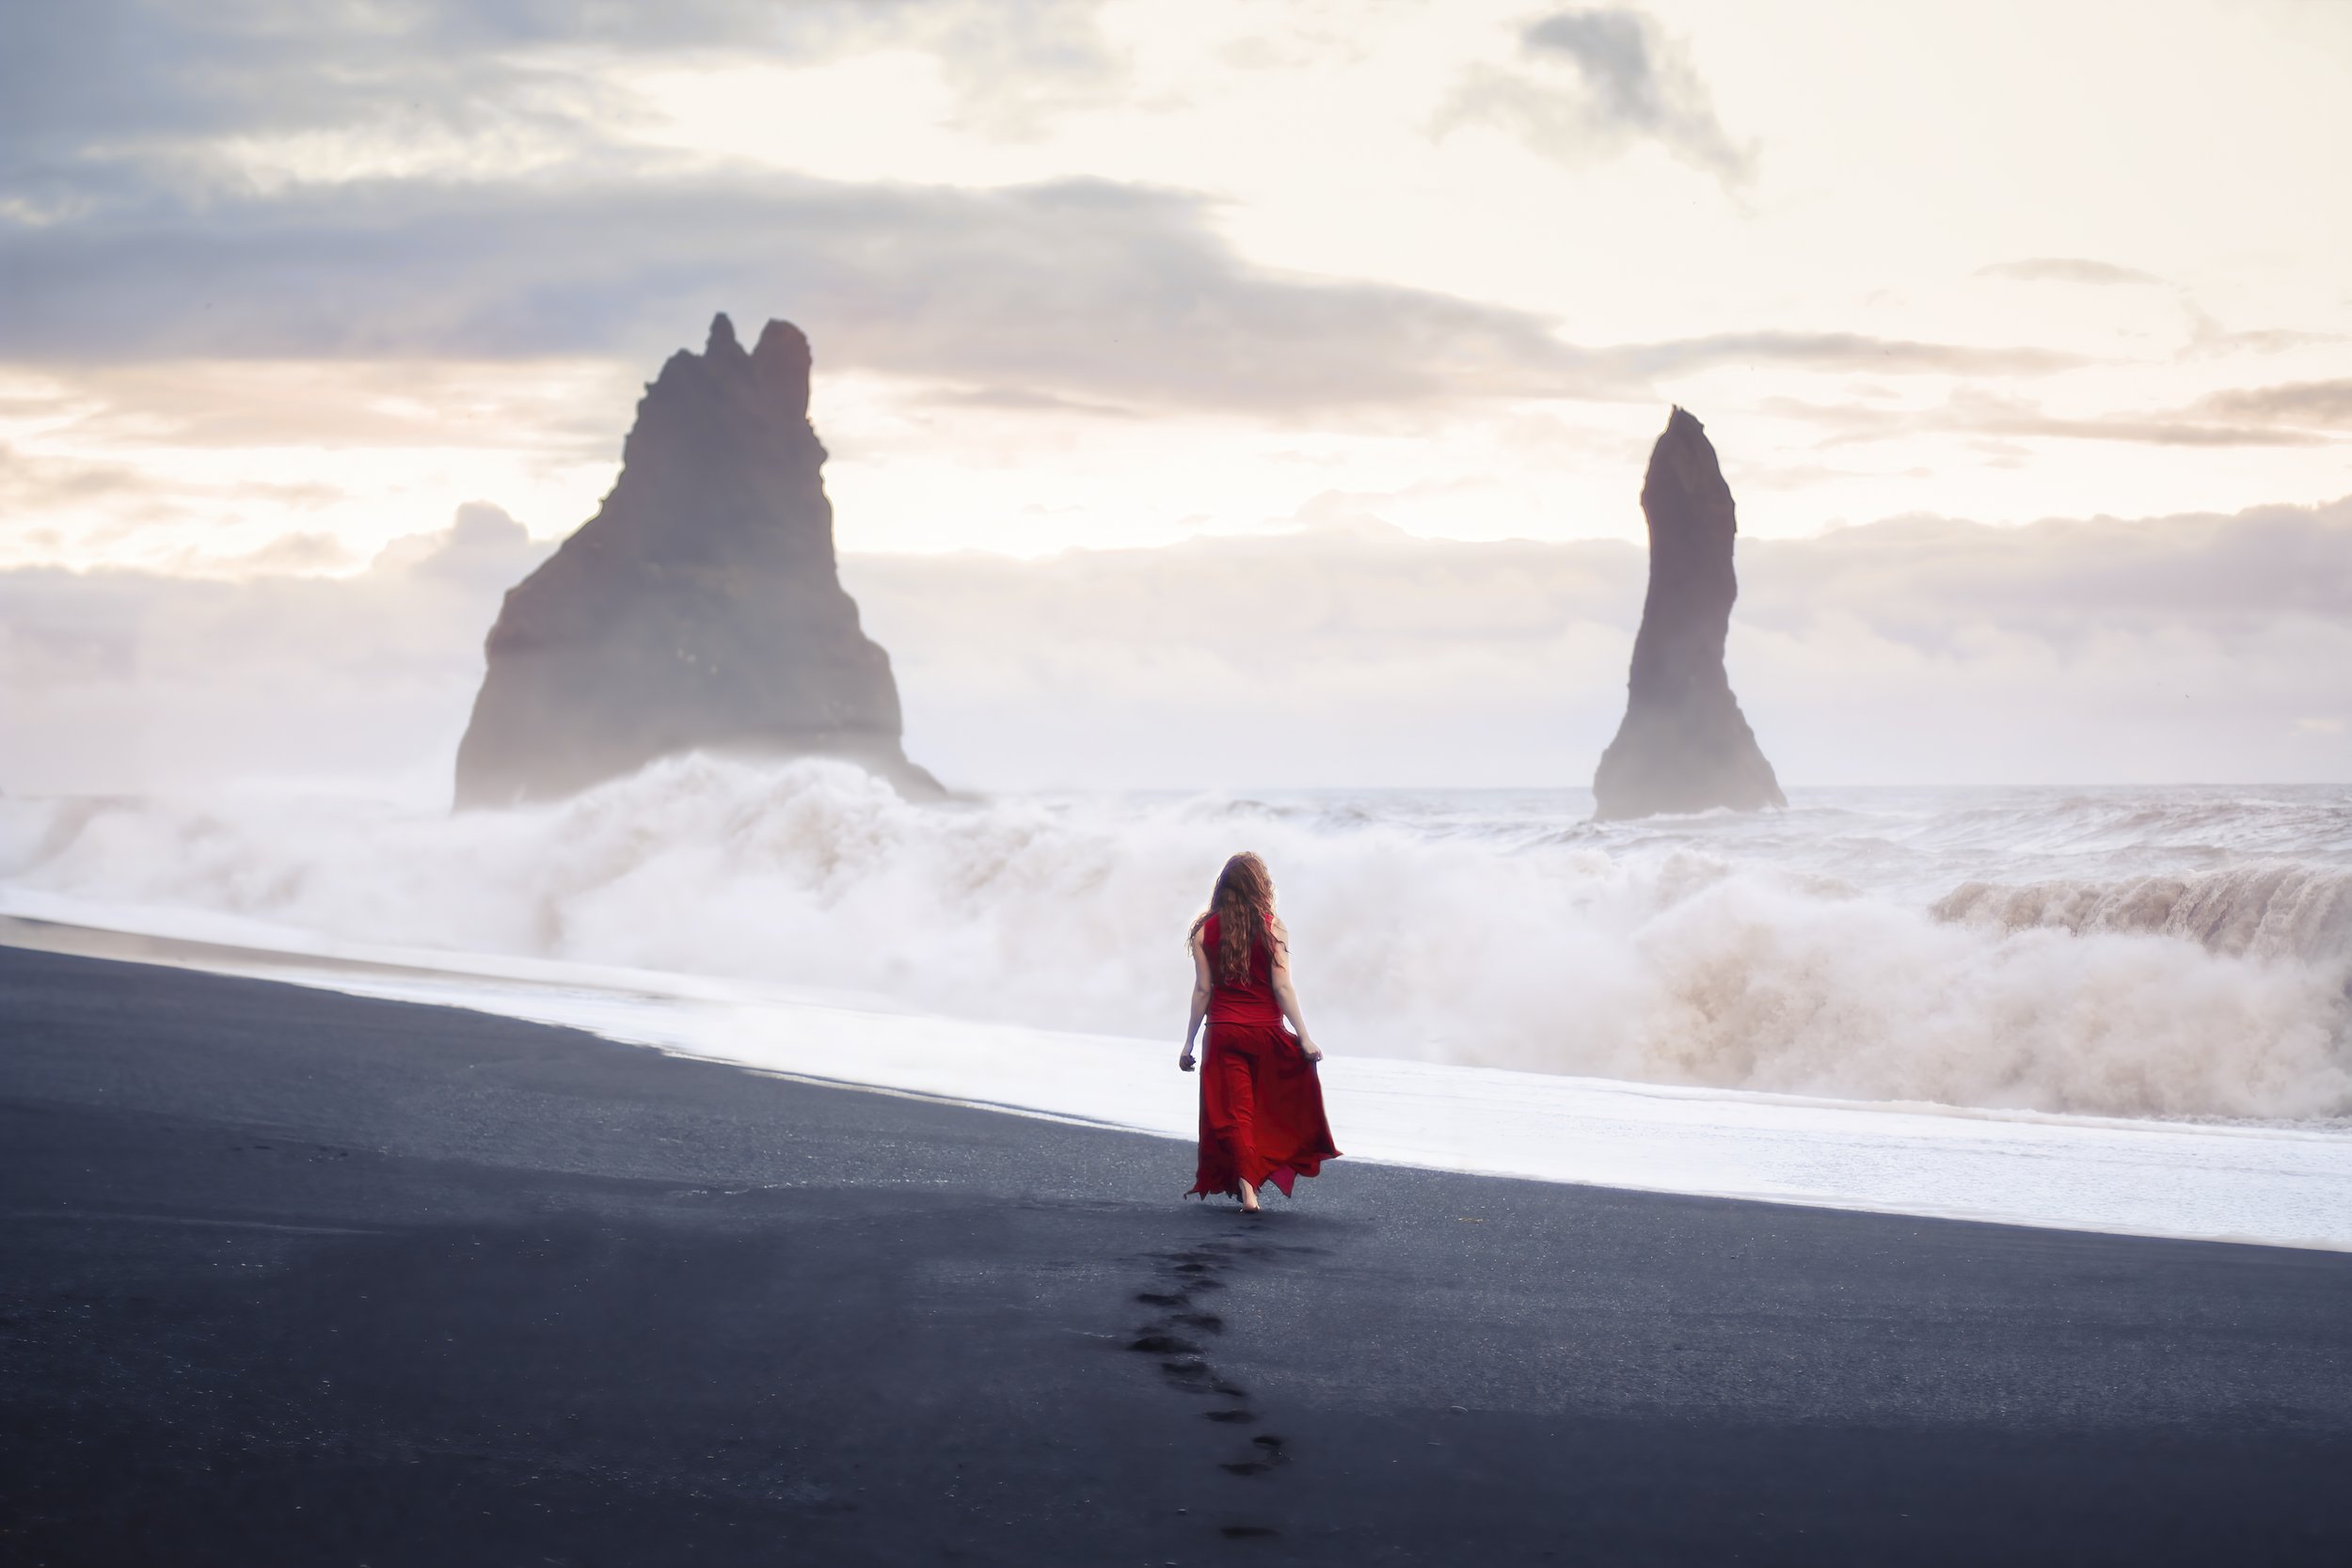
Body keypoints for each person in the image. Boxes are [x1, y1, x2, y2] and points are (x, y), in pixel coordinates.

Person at [1180, 852, 1342, 1212]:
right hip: (1265, 1033)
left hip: (1223, 1034)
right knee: (1270, 1108)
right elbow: (1283, 986)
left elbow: (1203, 990)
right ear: (1261, 886)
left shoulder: (1204, 930)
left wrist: (1188, 1043)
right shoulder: (1272, 926)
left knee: (1237, 1114)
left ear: (1223, 886)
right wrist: (1304, 1037)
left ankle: (1248, 1191)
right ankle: (1252, 1183)